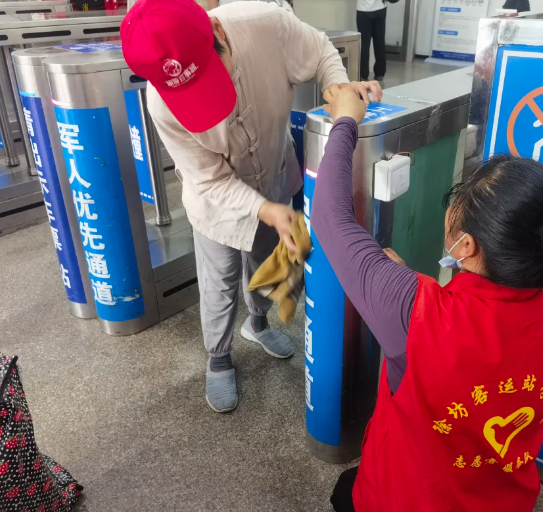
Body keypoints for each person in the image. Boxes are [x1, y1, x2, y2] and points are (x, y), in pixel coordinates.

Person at [314, 87, 543, 511]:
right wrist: (406, 285)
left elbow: (330, 219)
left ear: (465, 246)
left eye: (458, 202)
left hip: (405, 499)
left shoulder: (416, 312)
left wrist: (345, 121)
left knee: (346, 493)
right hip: (501, 501)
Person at [121, 0, 382, 413]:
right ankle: (219, 356)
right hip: (216, 202)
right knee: (220, 281)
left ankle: (257, 323)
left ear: (219, 32)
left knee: (269, 261)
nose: (211, 103)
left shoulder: (267, 24)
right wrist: (266, 210)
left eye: (211, 76)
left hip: (273, 168)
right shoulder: (161, 104)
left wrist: (339, 88)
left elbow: (320, 51)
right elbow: (210, 179)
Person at [356, 0, 387, 82]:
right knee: (379, 42)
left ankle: (363, 75)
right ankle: (380, 73)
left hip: (363, 9)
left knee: (364, 44)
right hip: (380, 8)